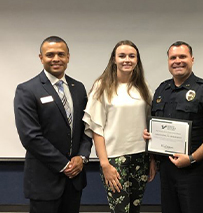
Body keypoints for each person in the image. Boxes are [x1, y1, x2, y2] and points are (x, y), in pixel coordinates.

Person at [143, 41, 203, 213]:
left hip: (194, 171)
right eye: (173, 57)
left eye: (183, 56)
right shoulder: (161, 90)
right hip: (167, 170)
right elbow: (156, 126)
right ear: (168, 61)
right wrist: (150, 140)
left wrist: (191, 158)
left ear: (192, 59)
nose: (178, 61)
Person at [14, 36, 92, 213]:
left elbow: (87, 128)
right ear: (41, 58)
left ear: (68, 57)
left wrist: (82, 157)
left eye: (61, 54)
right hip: (44, 181)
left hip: (74, 181)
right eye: (50, 54)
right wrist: (65, 166)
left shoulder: (78, 88)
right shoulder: (27, 90)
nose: (56, 58)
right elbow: (30, 137)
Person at [83, 40, 156, 213]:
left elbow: (151, 126)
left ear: (137, 60)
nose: (127, 60)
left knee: (135, 209)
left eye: (132, 56)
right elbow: (96, 128)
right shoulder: (102, 87)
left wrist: (153, 159)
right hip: (114, 160)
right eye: (121, 56)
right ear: (114, 59)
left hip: (141, 157)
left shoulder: (143, 87)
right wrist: (104, 164)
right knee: (120, 209)